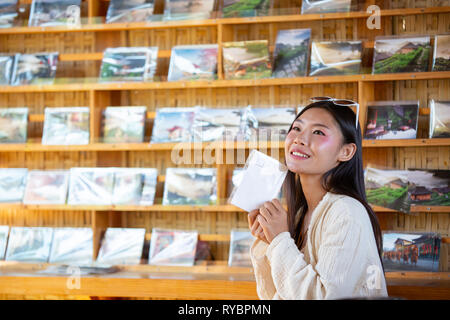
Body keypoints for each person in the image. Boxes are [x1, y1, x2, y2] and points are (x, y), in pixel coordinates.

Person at [247, 99, 388, 299]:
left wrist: (279, 240)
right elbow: (274, 295)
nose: (299, 139)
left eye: (318, 132)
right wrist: (269, 241)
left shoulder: (346, 212)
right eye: (296, 128)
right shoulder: (298, 215)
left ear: (346, 152)